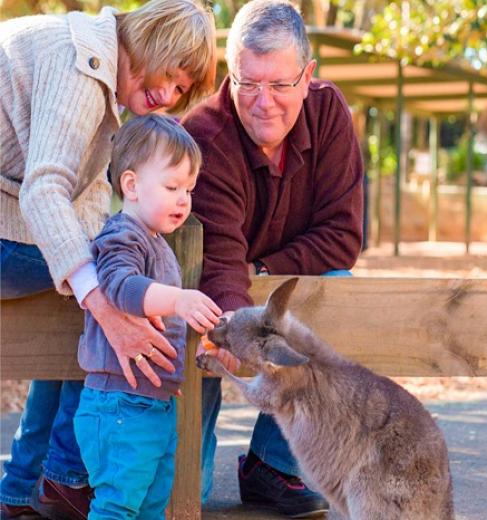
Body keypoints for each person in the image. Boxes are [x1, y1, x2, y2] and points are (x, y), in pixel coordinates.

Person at [0, 1, 216, 518]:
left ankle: (36, 478)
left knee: (94, 271)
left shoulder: (106, 81)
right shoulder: (81, 64)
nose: (168, 95)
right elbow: (46, 189)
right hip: (13, 218)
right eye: (169, 73)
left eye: (182, 88)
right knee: (103, 288)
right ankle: (67, 472)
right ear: (148, 43)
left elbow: (89, 203)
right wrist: (108, 303)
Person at [181, 0, 363, 517]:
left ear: (307, 77)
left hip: (276, 279)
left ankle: (272, 463)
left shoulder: (329, 113)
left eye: (280, 85)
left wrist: (263, 271)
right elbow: (218, 264)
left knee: (337, 283)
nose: (264, 102)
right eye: (248, 83)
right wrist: (242, 340)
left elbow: (342, 235)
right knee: (184, 492)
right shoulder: (204, 136)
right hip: (208, 287)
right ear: (228, 73)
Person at [73, 114, 221, 519]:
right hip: (119, 406)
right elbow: (121, 288)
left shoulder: (157, 243)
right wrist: (179, 300)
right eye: (172, 187)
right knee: (118, 506)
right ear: (132, 185)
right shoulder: (123, 235)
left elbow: (162, 322)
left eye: (188, 189)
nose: (183, 199)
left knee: (152, 506)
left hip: (152, 405)